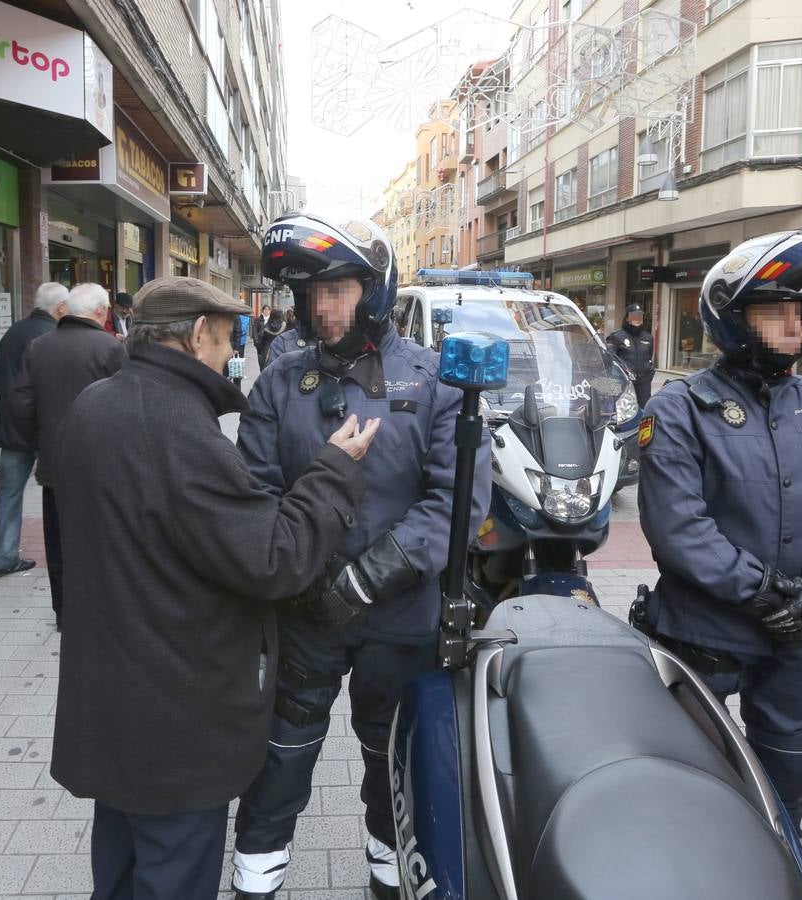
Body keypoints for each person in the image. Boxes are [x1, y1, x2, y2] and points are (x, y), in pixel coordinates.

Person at [51, 276, 379, 900]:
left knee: (120, 862)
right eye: (229, 340)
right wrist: (336, 471)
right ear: (198, 333)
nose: (232, 354)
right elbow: (274, 557)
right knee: (173, 871)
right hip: (171, 715)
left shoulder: (94, 404)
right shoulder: (176, 426)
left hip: (111, 697)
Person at [231, 213, 491, 900]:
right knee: (283, 749)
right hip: (302, 610)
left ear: (373, 289)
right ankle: (258, 864)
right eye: (310, 294)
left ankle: (389, 858)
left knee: (392, 750)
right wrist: (301, 575)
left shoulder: (436, 382)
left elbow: (457, 503)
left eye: (337, 290)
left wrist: (367, 579)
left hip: (399, 613)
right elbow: (254, 495)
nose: (321, 308)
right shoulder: (277, 384)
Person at [634, 231, 802, 834]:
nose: (795, 325)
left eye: (801, 311)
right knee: (692, 771)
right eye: (776, 311)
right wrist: (772, 595)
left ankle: (785, 853)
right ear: (732, 320)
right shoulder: (678, 408)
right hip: (706, 632)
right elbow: (679, 527)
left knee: (789, 767)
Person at [10, 283, 125, 625]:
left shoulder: (38, 347)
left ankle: (63, 610)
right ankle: (98, 608)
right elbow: (125, 408)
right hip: (100, 467)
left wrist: (41, 441)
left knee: (58, 540)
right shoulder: (110, 348)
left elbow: (20, 405)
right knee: (99, 539)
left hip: (54, 465)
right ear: (101, 311)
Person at [0, 282, 66, 579]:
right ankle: (66, 556)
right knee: (58, 494)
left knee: (9, 493)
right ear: (61, 308)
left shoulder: (14, 332)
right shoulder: (52, 337)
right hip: (40, 428)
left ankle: (2, 556)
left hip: (12, 428)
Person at [607, 303, 655, 408]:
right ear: (627, 318)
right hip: (625, 382)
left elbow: (649, 357)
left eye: (639, 316)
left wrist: (649, 372)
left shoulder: (648, 337)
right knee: (624, 410)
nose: (637, 319)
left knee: (644, 410)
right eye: (634, 316)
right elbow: (609, 359)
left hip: (644, 384)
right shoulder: (617, 336)